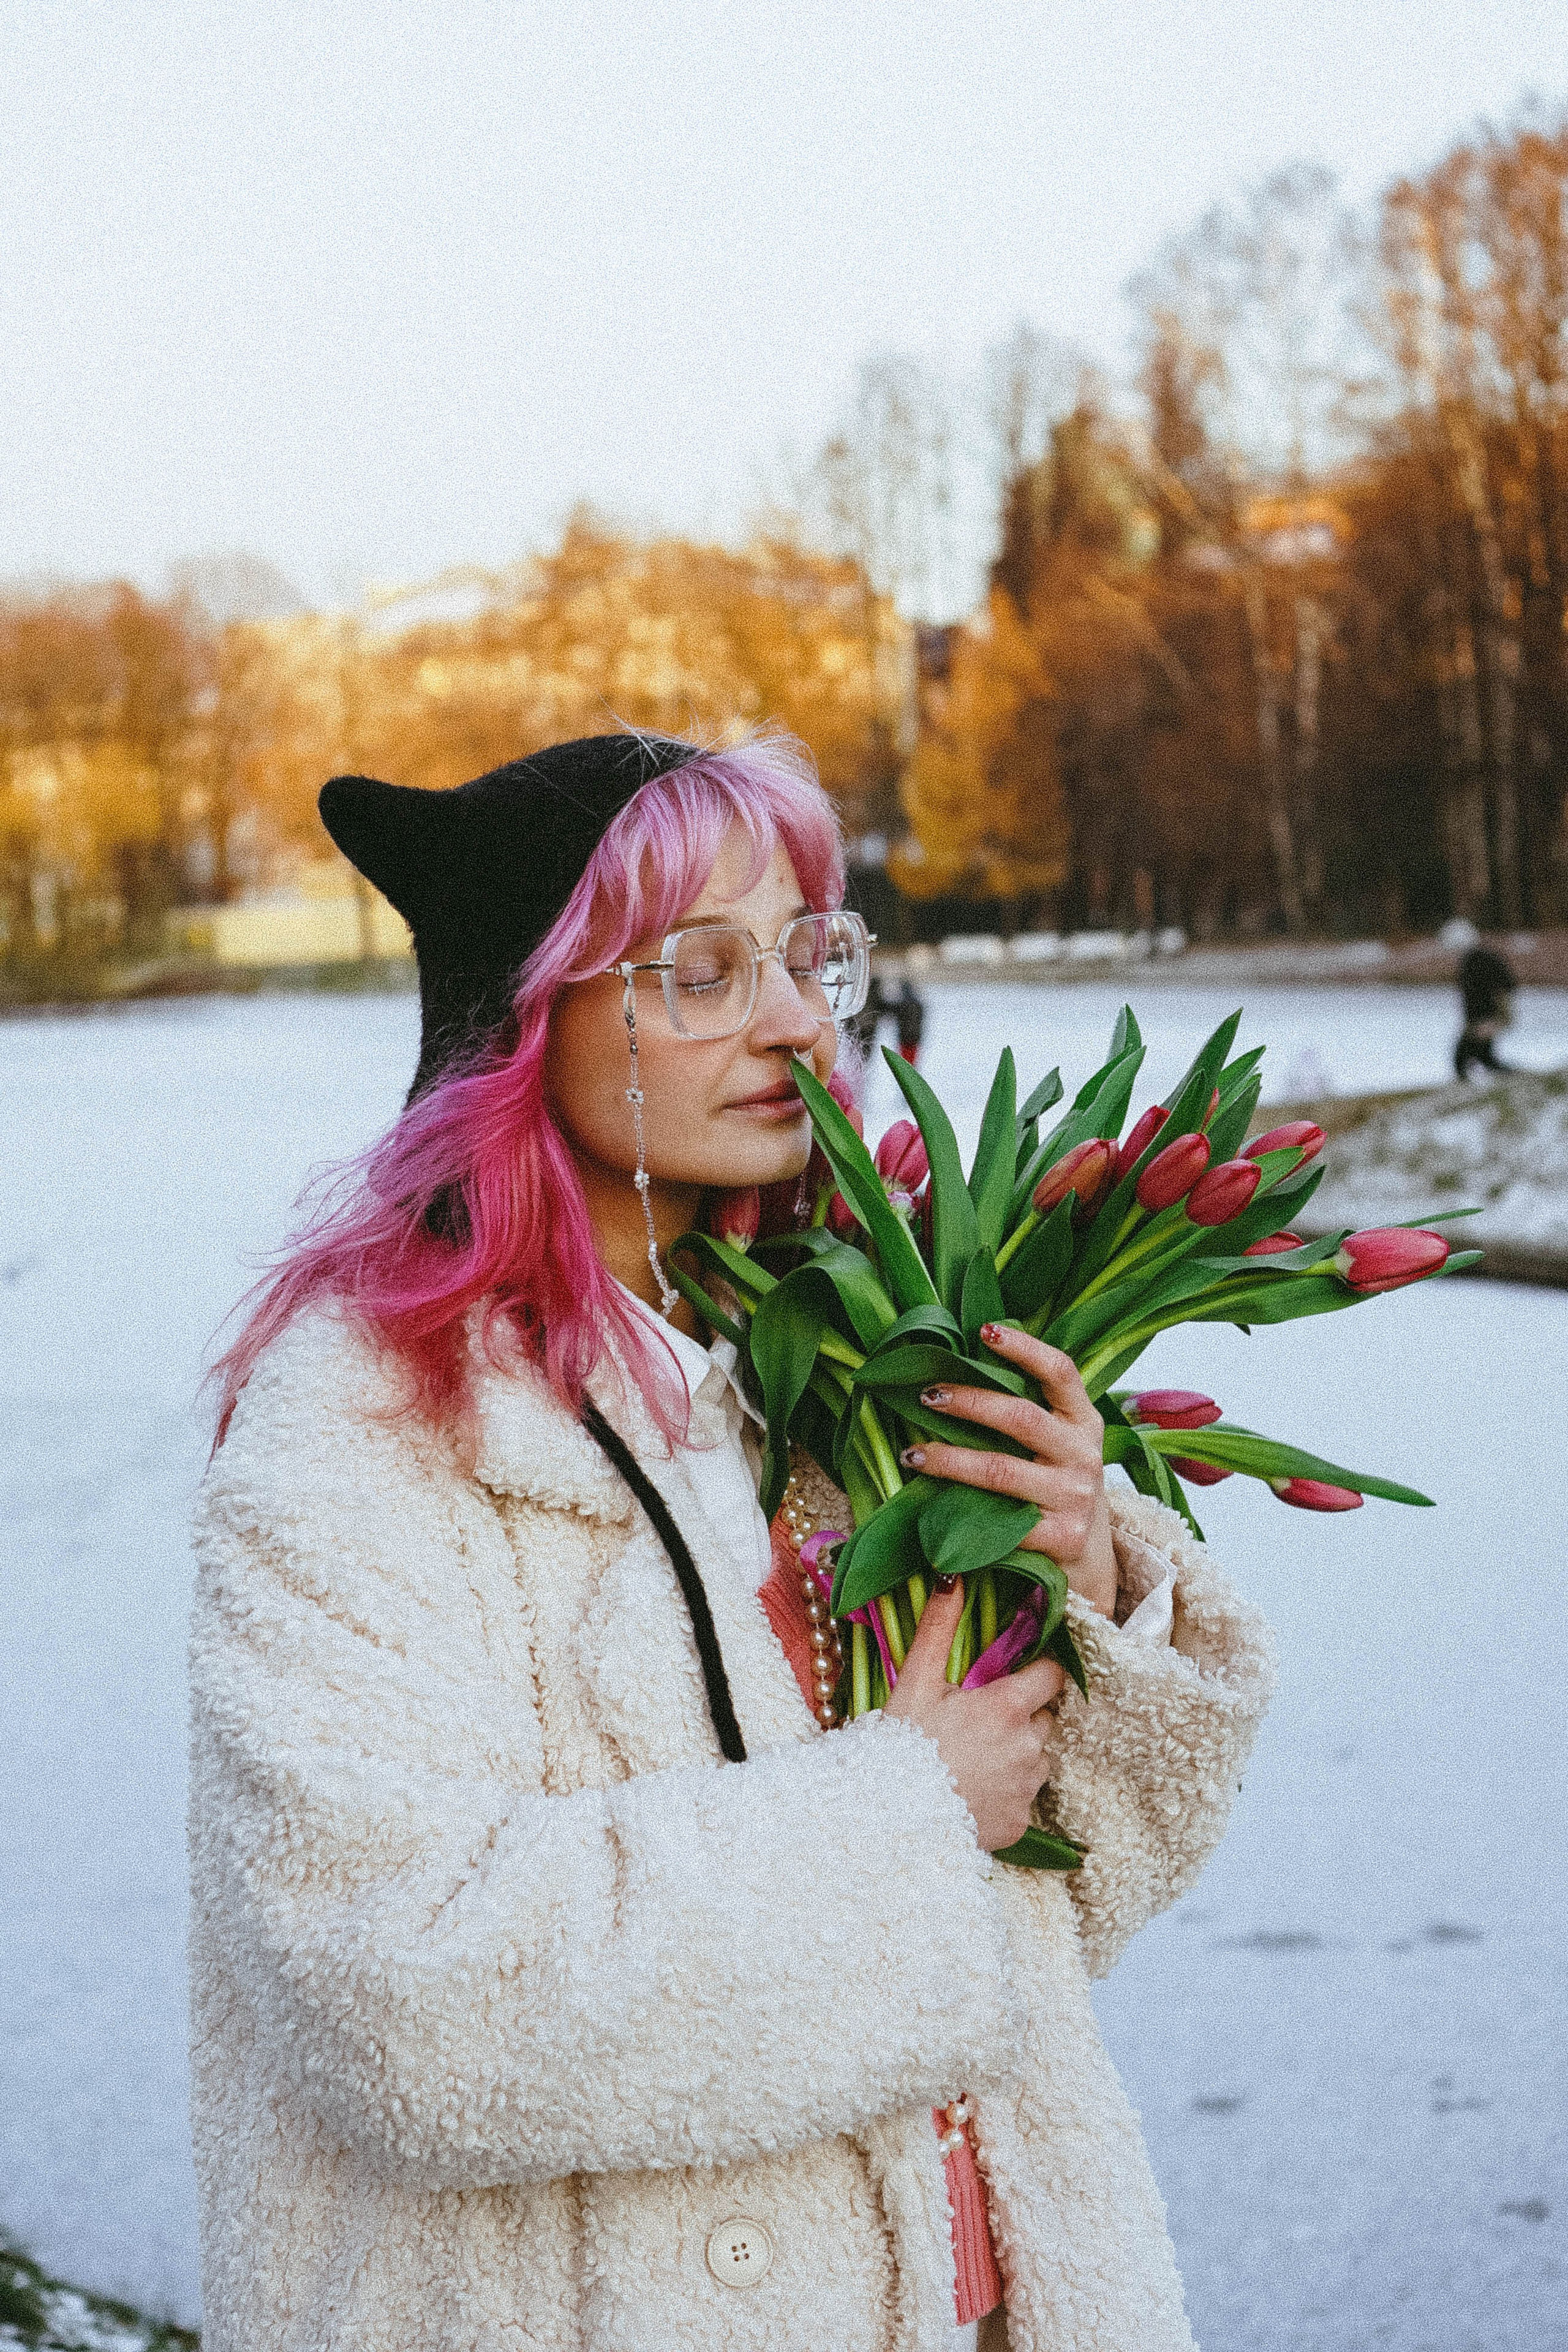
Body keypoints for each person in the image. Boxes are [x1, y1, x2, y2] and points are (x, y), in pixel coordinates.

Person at [189, 728, 1275, 2352]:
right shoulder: (366, 1423)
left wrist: (1080, 1588)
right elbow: (407, 2002)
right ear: (523, 1011)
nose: (790, 1020)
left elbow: (1054, 1914)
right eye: (699, 968)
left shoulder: (835, 1359)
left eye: (806, 953)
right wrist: (906, 1808)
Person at [1454, 940, 1518, 1080]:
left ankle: (1479, 1064)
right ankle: (1483, 1063)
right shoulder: (1481, 959)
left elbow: (1476, 993)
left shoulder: (1474, 963)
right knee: (1480, 1036)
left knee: (1480, 1035)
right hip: (1490, 1005)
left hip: (1489, 1005)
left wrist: (1480, 1017)